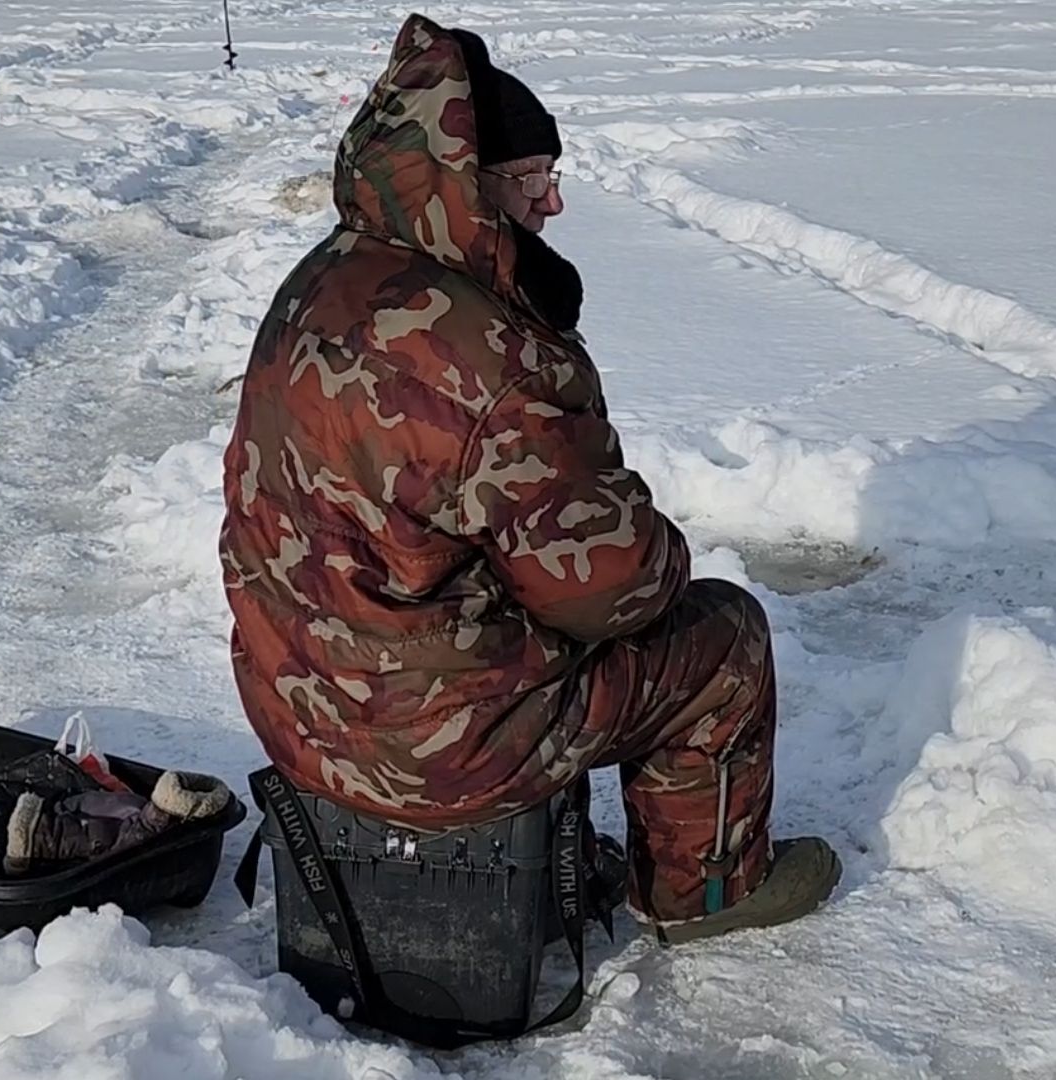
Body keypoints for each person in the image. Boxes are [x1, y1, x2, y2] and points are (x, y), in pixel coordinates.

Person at [219, 14, 839, 944]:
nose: (552, 206)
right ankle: (707, 894)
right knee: (725, 639)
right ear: (469, 188)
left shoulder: (325, 276)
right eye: (534, 181)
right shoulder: (491, 352)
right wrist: (656, 550)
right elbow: (613, 591)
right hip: (426, 753)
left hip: (295, 708)